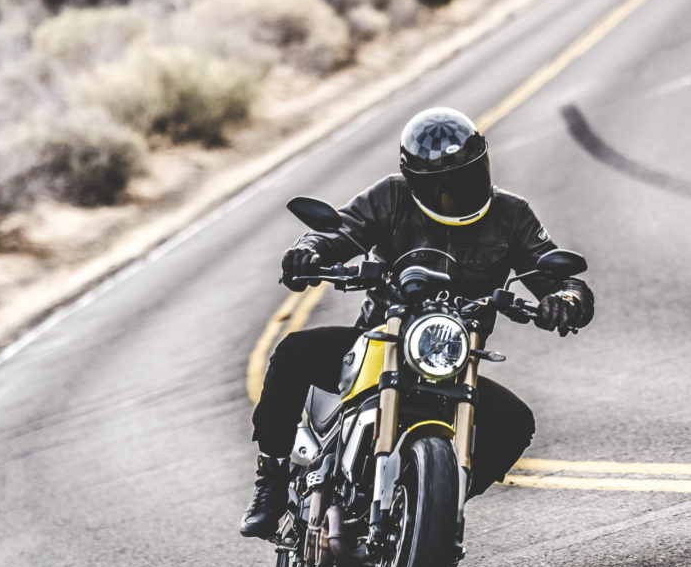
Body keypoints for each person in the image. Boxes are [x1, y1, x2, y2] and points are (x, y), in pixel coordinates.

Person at [241, 107, 594, 537]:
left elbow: (558, 274)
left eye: (466, 176)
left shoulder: (511, 215)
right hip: (377, 341)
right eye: (442, 184)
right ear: (415, 181)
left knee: (513, 422)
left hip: (452, 358)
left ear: (483, 164)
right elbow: (340, 231)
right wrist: (309, 251)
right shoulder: (391, 197)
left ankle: (429, 512)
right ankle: (272, 478)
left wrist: (566, 298)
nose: (456, 191)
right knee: (293, 353)